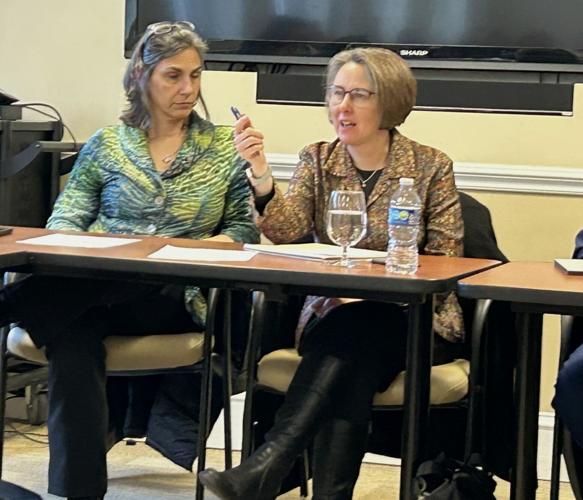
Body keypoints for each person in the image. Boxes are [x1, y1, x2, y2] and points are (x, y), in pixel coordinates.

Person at [0, 21, 259, 500]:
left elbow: (244, 231)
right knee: (73, 334)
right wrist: (95, 251)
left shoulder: (224, 147)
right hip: (91, 292)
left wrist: (182, 249)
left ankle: (11, 304)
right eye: (173, 76)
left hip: (176, 295)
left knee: (128, 274)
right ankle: (76, 492)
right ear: (142, 74)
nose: (188, 89)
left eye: (195, 76)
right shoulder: (108, 144)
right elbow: (65, 220)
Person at [198, 47, 464, 500]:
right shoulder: (318, 159)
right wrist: (260, 172)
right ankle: (287, 479)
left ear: (390, 100)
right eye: (336, 93)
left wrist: (373, 287)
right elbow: (287, 232)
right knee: (352, 354)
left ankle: (266, 466)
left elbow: (447, 257)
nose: (343, 106)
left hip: (412, 320)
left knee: (357, 334)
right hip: (332, 316)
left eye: (359, 95)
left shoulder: (430, 166)